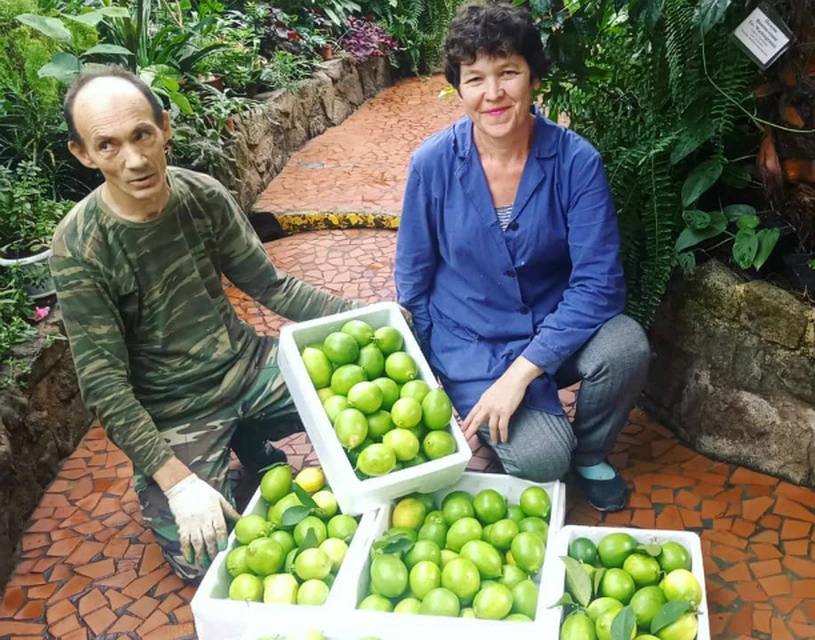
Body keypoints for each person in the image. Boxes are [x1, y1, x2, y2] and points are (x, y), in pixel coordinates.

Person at [49, 66, 356, 581]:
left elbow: (272, 286)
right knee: (206, 560)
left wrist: (368, 316)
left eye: (143, 134)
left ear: (164, 127)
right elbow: (104, 386)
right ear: (83, 153)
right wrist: (175, 482)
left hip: (248, 369)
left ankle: (249, 436)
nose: (134, 159)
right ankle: (228, 451)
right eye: (108, 145)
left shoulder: (203, 196)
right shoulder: (80, 246)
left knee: (367, 415)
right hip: (173, 409)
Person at [395, 1, 651, 512]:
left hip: (553, 328)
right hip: (470, 342)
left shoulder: (576, 161)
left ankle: (592, 452)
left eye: (508, 72)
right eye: (475, 78)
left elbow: (599, 283)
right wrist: (434, 383)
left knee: (626, 345)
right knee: (541, 460)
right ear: (459, 86)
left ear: (534, 77)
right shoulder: (431, 165)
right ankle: (526, 427)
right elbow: (414, 281)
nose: (493, 94)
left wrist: (524, 371)